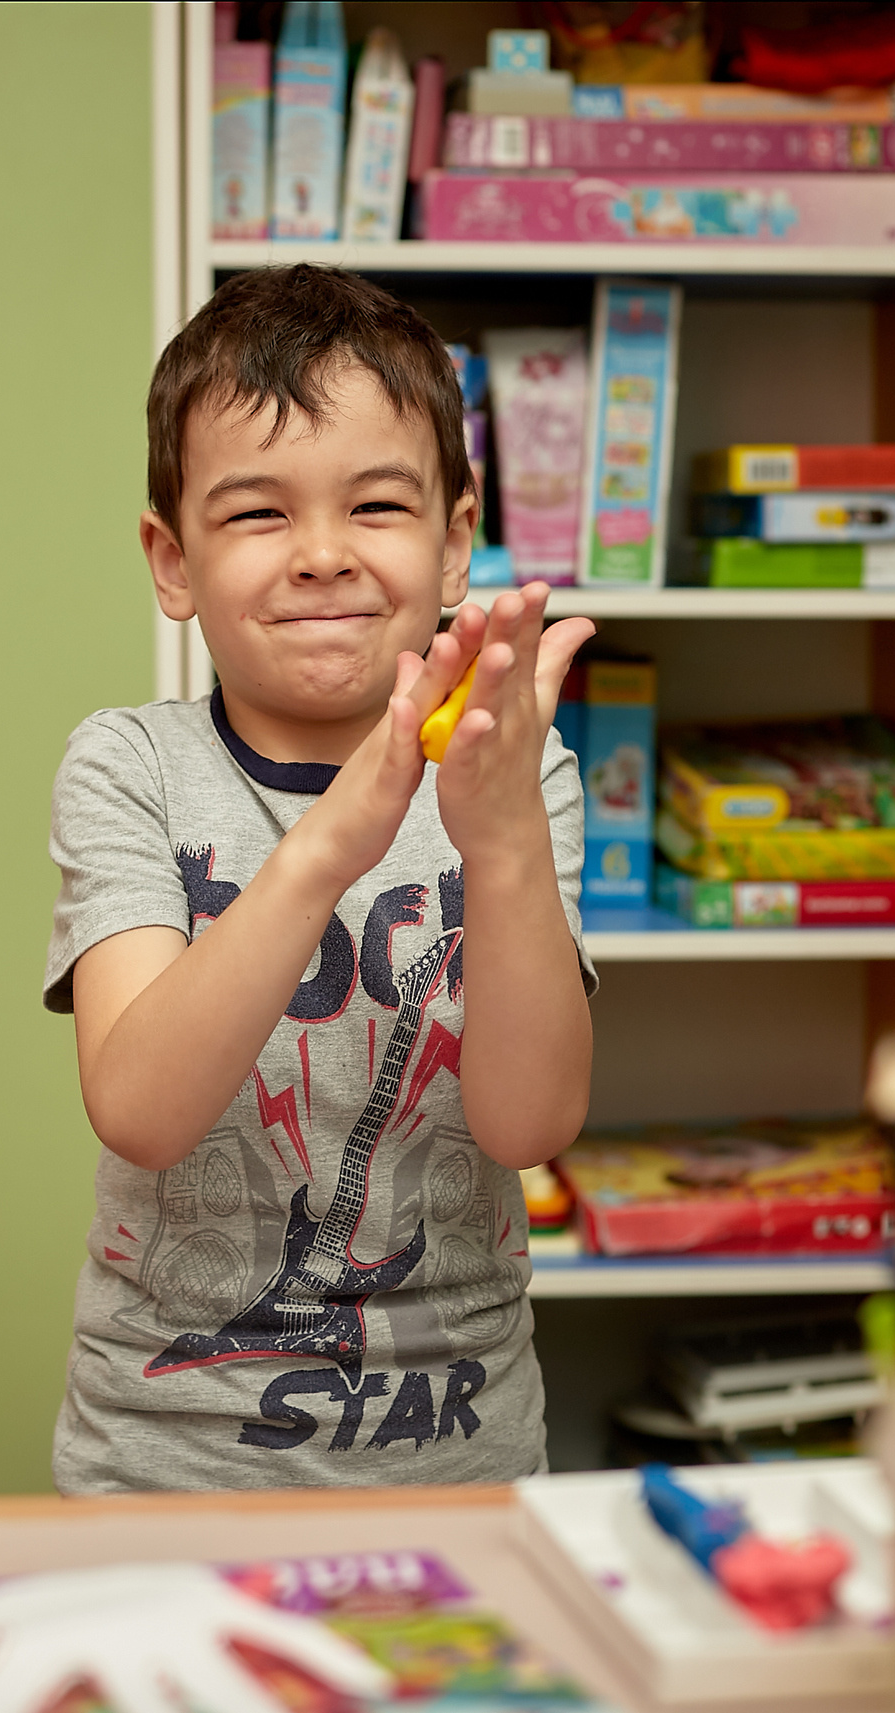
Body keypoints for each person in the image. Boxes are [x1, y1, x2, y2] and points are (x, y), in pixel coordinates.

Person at [42, 263, 598, 1493]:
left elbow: (530, 1125)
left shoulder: (524, 772)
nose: (322, 556)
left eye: (377, 506)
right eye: (256, 514)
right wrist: (334, 840)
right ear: (172, 560)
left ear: (454, 541)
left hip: (461, 1468)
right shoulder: (128, 766)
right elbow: (139, 1108)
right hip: (167, 1475)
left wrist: (502, 841)